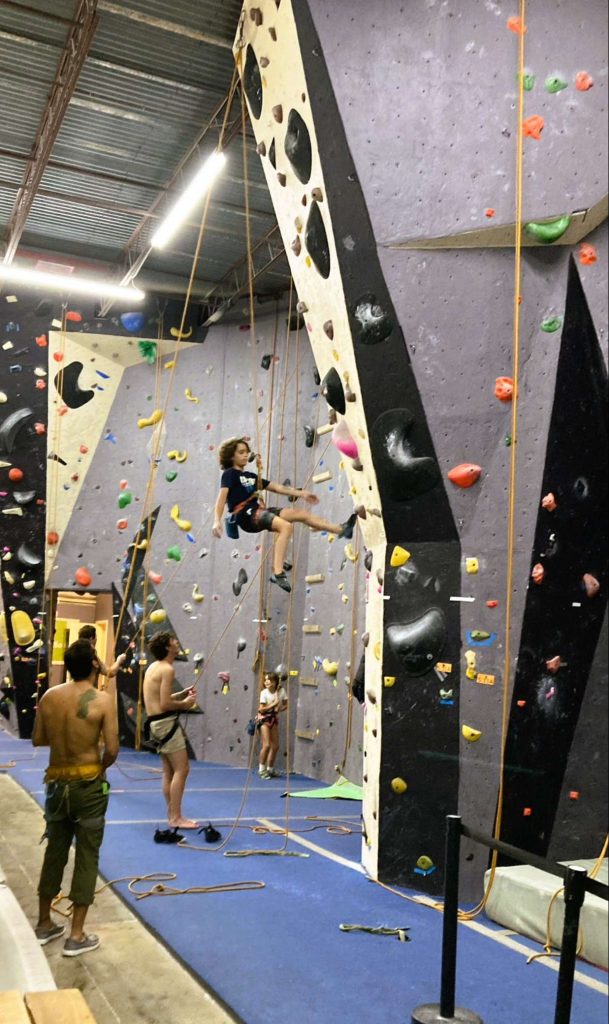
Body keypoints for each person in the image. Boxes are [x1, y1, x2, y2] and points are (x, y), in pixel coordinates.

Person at [32, 639, 119, 957]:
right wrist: (99, 767)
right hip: (87, 786)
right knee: (86, 854)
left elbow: (38, 738)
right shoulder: (103, 700)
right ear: (95, 664)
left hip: (56, 783)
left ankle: (44, 924)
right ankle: (76, 934)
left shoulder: (50, 696)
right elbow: (111, 749)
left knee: (54, 850)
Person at [212, 437, 358, 593]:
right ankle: (277, 572)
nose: (245, 455)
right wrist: (216, 520)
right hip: (246, 516)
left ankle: (341, 530)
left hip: (258, 511)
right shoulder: (229, 475)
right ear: (231, 456)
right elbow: (221, 499)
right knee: (286, 527)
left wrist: (301, 494)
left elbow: (277, 487)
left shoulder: (251, 476)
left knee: (301, 514)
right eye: (241, 452)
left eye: (246, 452)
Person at [142, 631, 199, 830]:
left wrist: (180, 694)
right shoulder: (167, 669)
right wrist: (186, 704)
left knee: (169, 771)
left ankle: (172, 813)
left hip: (154, 723)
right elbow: (165, 704)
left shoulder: (154, 667)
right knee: (182, 769)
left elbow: (159, 698)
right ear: (168, 647)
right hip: (165, 723)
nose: (177, 642)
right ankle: (176, 817)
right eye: (174, 640)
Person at [256, 671, 288, 779]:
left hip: (273, 719)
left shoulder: (281, 691)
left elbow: (286, 704)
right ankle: (261, 769)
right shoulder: (264, 693)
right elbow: (261, 709)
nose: (266, 682)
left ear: (274, 682)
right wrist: (273, 704)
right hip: (264, 719)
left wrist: (279, 708)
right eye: (265, 680)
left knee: (275, 746)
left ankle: (270, 769)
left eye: (268, 680)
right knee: (267, 745)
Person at [77, 624, 126, 693]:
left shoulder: (75, 654)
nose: (96, 639)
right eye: (96, 637)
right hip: (88, 696)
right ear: (91, 639)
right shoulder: (91, 656)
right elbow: (110, 672)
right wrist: (119, 660)